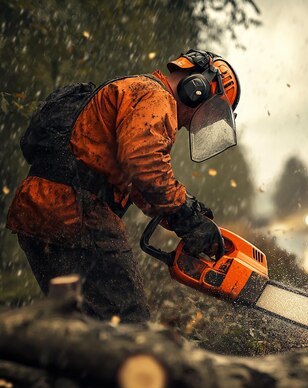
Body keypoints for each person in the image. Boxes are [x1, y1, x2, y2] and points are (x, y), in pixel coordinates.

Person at [6, 49, 240, 323]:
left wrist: (185, 216)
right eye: (205, 112)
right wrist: (185, 215)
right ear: (197, 88)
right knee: (129, 321)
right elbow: (144, 163)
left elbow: (137, 181)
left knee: (77, 321)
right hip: (77, 213)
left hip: (39, 207)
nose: (189, 124)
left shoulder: (138, 91)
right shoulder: (156, 96)